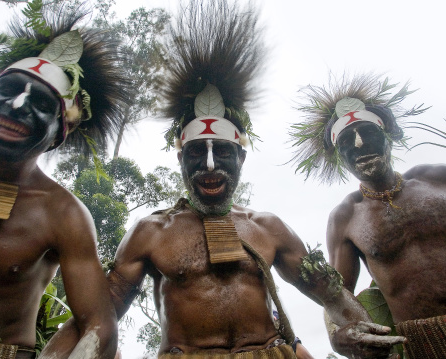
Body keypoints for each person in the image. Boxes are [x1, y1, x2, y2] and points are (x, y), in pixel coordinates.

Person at [43, 1, 405, 358]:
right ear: (181, 158)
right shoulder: (150, 233)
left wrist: (353, 327)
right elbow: (97, 316)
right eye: (198, 152)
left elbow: (331, 295)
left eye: (224, 153)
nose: (211, 165)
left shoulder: (268, 228)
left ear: (241, 158)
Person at [0, 2, 130, 359]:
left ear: (62, 130)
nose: (15, 106)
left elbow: (98, 327)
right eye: (7, 90)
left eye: (40, 102)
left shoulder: (64, 215)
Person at [291, 74, 445, 359]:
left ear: (387, 136)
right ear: (341, 156)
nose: (359, 144)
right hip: (421, 345)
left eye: (367, 132)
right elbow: (338, 295)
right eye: (347, 140)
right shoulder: (345, 218)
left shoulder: (437, 179)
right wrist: (339, 337)